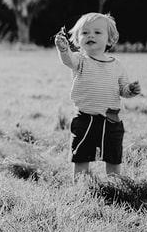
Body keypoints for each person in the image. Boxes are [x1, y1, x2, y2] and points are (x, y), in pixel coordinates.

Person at [54, 12, 142, 183]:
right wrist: (63, 49)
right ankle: (80, 186)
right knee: (80, 156)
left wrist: (130, 90)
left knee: (113, 156)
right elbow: (68, 60)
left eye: (97, 32)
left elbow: (122, 90)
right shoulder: (80, 60)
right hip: (85, 118)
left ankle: (115, 184)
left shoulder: (117, 66)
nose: (90, 35)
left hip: (112, 120)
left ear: (110, 39)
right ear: (77, 39)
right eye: (85, 32)